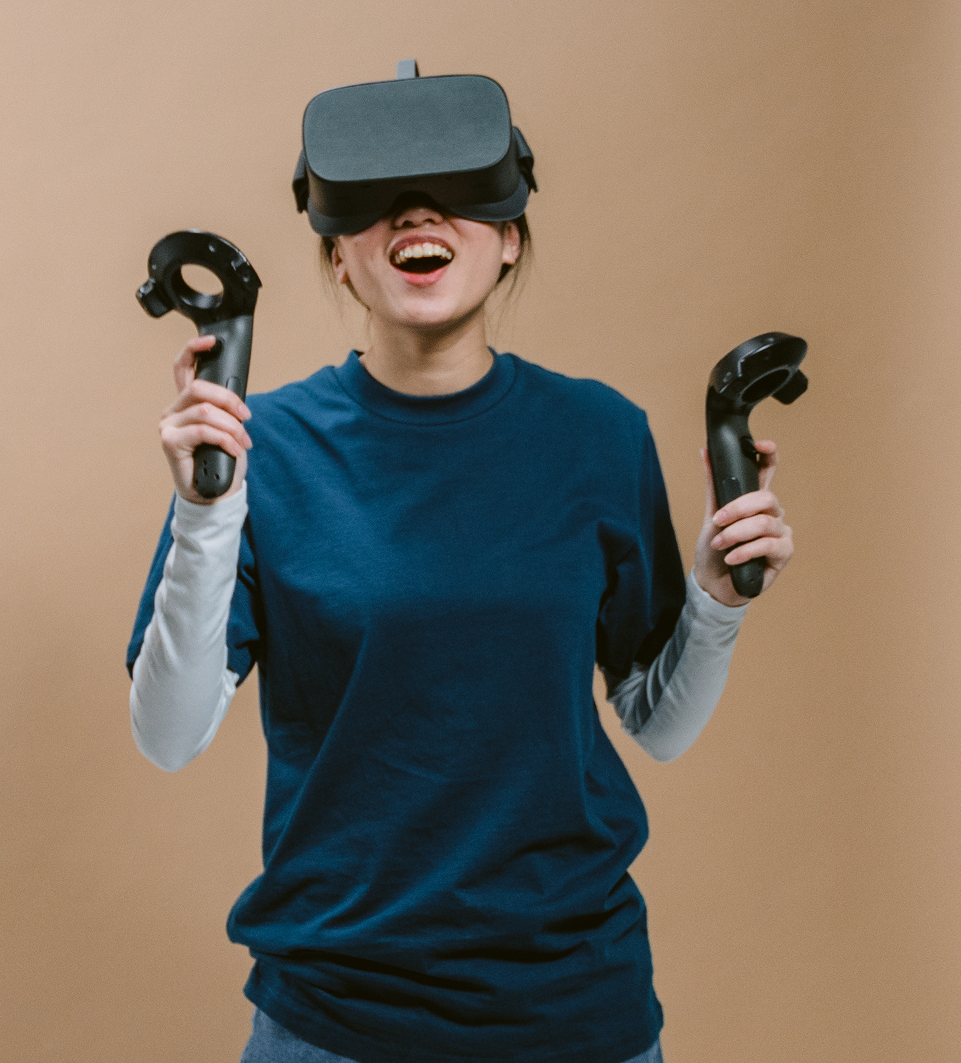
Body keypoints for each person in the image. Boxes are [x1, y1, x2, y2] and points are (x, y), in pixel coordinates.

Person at [128, 180, 794, 1062]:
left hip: (576, 1009)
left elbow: (659, 725)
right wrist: (205, 512)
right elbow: (169, 734)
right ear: (338, 257)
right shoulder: (264, 444)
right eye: (378, 203)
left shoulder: (599, 433)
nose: (416, 217)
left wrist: (716, 597)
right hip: (335, 1016)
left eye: (456, 196)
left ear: (511, 240)